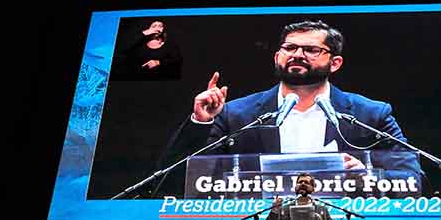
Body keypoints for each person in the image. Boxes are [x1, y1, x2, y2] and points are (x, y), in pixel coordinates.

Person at [168, 20, 422, 194]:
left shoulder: (371, 114)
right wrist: (201, 122)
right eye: (289, 47)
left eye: (311, 49)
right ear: (277, 56)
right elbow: (179, 178)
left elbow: (412, 178)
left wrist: (367, 177)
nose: (297, 54)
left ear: (335, 63)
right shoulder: (236, 114)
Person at [114, 19, 182, 80]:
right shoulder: (139, 45)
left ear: (163, 29)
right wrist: (145, 32)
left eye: (160, 26)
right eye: (154, 26)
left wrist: (158, 62)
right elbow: (123, 49)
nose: (157, 28)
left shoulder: (170, 45)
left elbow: (177, 60)